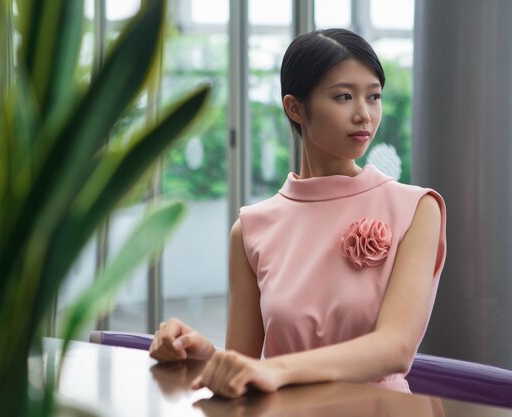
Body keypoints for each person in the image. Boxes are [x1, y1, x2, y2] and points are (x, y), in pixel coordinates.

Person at [149, 28, 447, 399]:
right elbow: (245, 365)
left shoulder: (415, 209)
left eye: (374, 96)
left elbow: (395, 349)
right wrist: (201, 354)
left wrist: (273, 369)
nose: (364, 114)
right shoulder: (251, 229)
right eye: (343, 96)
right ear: (295, 108)